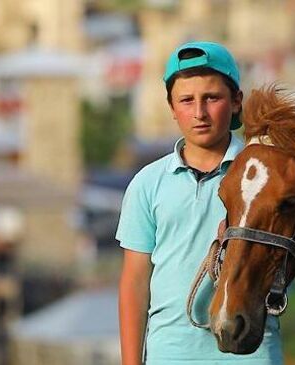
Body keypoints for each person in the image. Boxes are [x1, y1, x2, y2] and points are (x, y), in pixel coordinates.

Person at [116, 41, 283, 365]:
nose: (199, 112)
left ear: (236, 102)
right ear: (171, 108)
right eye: (186, 100)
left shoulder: (263, 175)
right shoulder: (148, 183)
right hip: (171, 355)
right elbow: (135, 282)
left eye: (212, 98)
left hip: (251, 354)